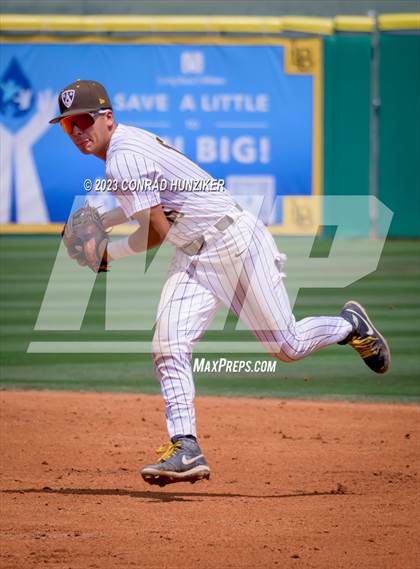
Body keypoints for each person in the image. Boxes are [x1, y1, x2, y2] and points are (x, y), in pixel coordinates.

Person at [50, 80, 391, 487]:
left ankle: (350, 326)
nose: (78, 131)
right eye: (68, 126)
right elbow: (154, 203)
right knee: (168, 344)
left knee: (287, 347)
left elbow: (156, 231)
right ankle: (186, 446)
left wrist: (109, 252)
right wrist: (104, 222)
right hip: (195, 252)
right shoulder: (124, 147)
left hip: (234, 242)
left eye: (84, 120)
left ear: (108, 117)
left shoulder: (122, 157)